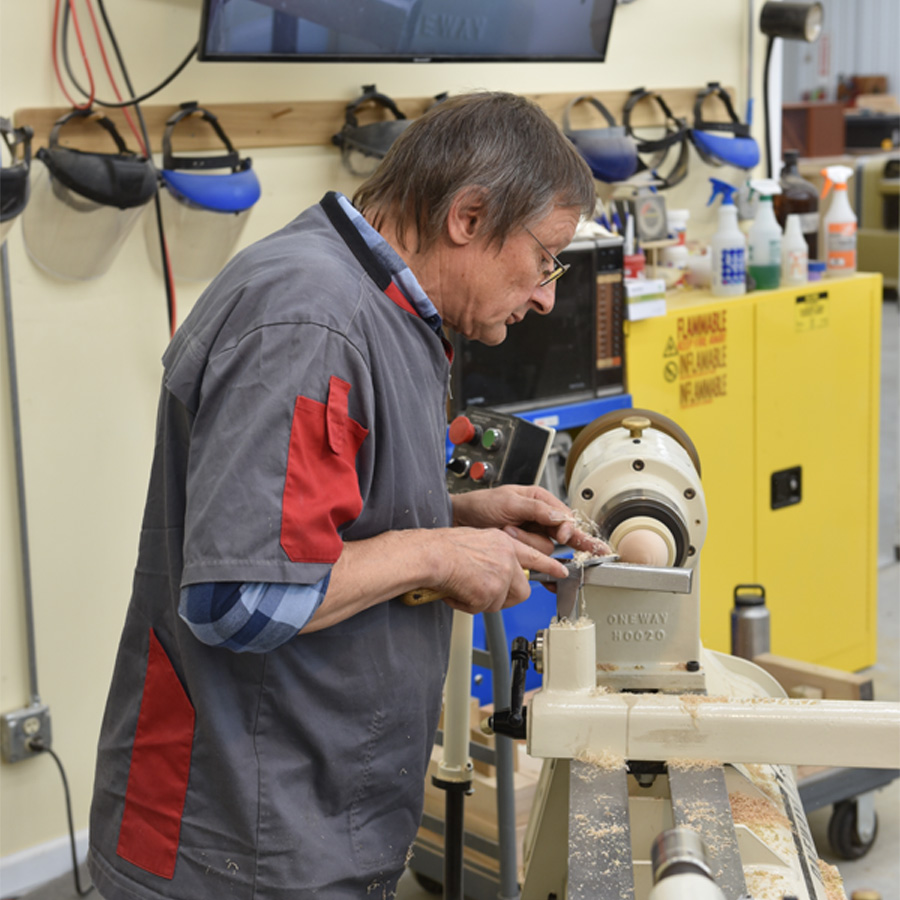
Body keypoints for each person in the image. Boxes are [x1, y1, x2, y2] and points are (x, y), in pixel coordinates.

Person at [88, 90, 604, 900]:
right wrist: (438, 552)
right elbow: (242, 595)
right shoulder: (310, 317)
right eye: (546, 259)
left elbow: (312, 517)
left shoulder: (385, 306)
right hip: (238, 845)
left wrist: (457, 515)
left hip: (302, 818)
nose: (546, 295)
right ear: (468, 217)